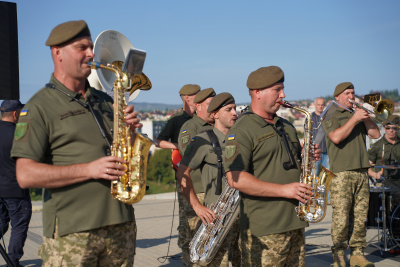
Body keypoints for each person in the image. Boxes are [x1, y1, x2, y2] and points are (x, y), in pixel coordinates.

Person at [10, 20, 141, 266]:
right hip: (73, 233)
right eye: (82, 47)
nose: (91, 53)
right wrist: (89, 169)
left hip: (120, 225)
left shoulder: (104, 100)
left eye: (91, 47)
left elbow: (125, 150)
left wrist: (131, 131)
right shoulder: (39, 106)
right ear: (57, 52)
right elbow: (25, 175)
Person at [224, 66, 317, 266]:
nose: (283, 95)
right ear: (258, 92)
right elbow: (235, 178)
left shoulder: (287, 126)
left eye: (282, 89)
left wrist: (307, 158)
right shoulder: (242, 130)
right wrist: (285, 190)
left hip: (295, 223)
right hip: (265, 230)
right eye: (277, 89)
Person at [177, 92, 240, 266]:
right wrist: (197, 206)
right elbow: (182, 173)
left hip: (244, 216)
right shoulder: (202, 140)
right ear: (215, 114)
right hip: (217, 214)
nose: (235, 113)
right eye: (229, 109)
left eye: (235, 108)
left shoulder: (242, 138)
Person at [322, 82, 380, 267]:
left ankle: (357, 253)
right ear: (337, 96)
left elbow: (375, 134)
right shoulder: (331, 113)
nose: (351, 96)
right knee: (341, 216)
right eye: (347, 93)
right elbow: (336, 137)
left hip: (362, 171)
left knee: (360, 216)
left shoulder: (356, 113)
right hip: (342, 172)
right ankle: (338, 255)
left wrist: (367, 117)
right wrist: (355, 118)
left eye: (353, 93)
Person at [155, 84, 200, 265]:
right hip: (184, 175)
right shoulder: (176, 120)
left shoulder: (203, 119)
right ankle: (187, 256)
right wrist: (177, 147)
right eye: (197, 96)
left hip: (203, 175)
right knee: (187, 219)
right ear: (187, 98)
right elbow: (159, 142)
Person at [177, 87, 215, 266]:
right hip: (197, 190)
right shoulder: (190, 128)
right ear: (198, 106)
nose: (213, 109)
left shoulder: (217, 125)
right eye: (209, 105)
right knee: (193, 236)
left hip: (213, 190)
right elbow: (188, 157)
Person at [0, 100, 32, 267]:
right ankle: (12, 262)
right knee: (19, 225)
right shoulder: (20, 132)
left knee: (1, 223)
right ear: (15, 114)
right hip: (16, 189)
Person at [368, 114, 400, 205]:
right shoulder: (376, 146)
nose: (391, 131)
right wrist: (375, 174)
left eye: (394, 128)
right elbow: (366, 167)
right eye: (387, 128)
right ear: (383, 128)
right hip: (383, 182)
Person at [312, 97, 329, 175]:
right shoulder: (310, 118)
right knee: (314, 177)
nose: (320, 106)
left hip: (327, 152)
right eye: (318, 105)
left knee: (326, 178)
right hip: (315, 153)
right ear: (315, 105)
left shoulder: (328, 117)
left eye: (322, 105)